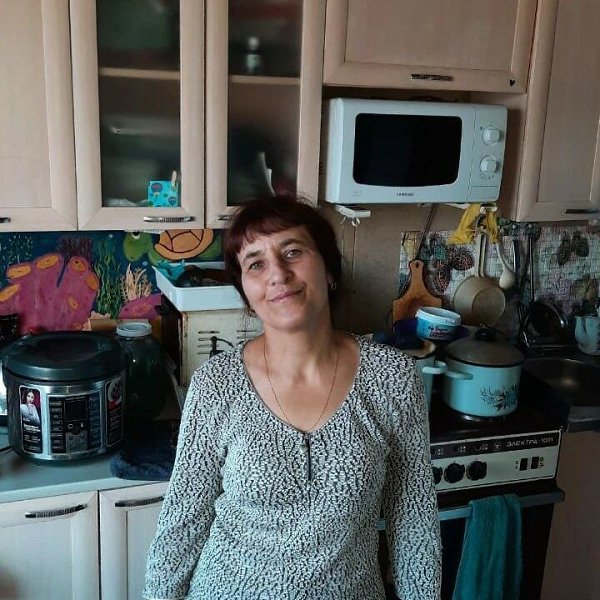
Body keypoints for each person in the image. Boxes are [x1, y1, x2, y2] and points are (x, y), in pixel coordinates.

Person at [143, 196, 441, 600]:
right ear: (246, 292)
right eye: (256, 264)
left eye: (293, 252)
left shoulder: (392, 378)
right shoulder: (216, 384)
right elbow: (183, 519)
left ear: (329, 269)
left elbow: (414, 519)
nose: (278, 274)